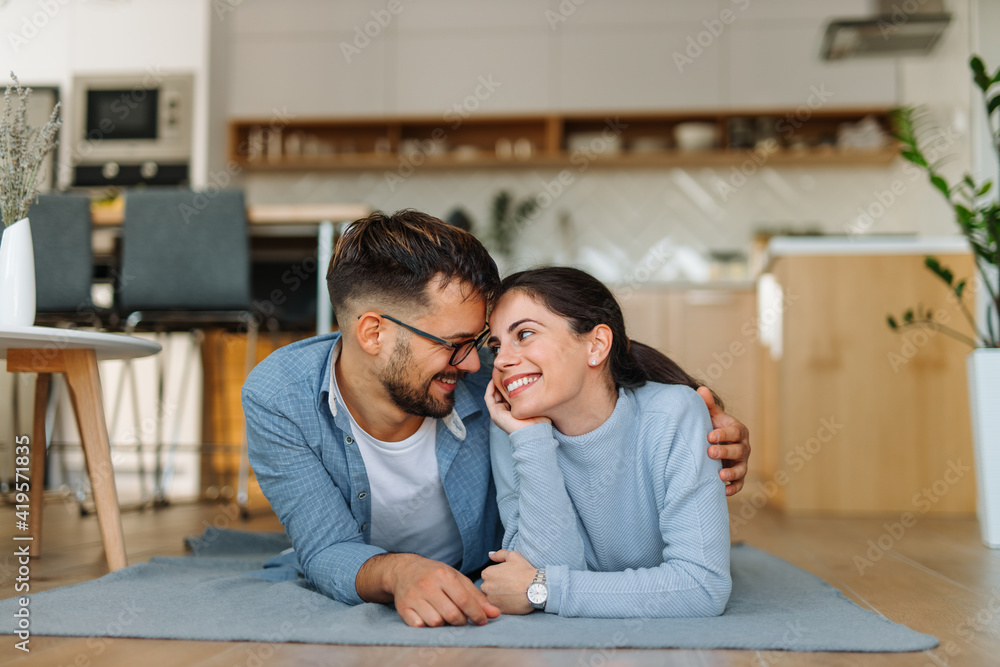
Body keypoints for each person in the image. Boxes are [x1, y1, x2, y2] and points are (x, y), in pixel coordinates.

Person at [242, 209, 750, 628]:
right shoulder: (279, 399)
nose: (475, 363)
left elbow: (588, 353)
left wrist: (701, 412)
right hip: (432, 584)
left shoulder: (499, 379)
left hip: (493, 578)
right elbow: (326, 548)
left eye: (479, 342)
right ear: (373, 334)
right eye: (456, 345)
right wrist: (399, 573)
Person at [479, 267, 730, 618]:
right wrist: (531, 439)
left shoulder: (673, 413)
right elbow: (545, 565)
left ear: (596, 345)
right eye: (496, 345)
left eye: (524, 334)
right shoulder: (512, 428)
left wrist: (547, 589)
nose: (502, 360)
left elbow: (702, 586)